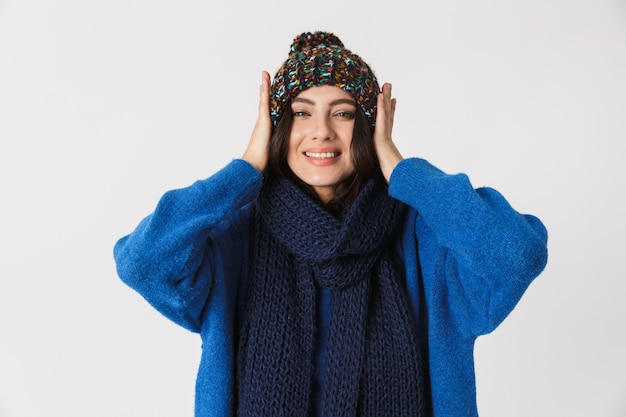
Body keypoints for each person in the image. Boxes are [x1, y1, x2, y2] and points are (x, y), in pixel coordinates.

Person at [113, 31, 548, 417]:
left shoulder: (425, 239)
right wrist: (244, 169)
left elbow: (516, 254)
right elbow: (143, 262)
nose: (321, 131)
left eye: (343, 113)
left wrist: (402, 170)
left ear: (369, 127)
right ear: (277, 128)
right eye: (301, 114)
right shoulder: (235, 240)